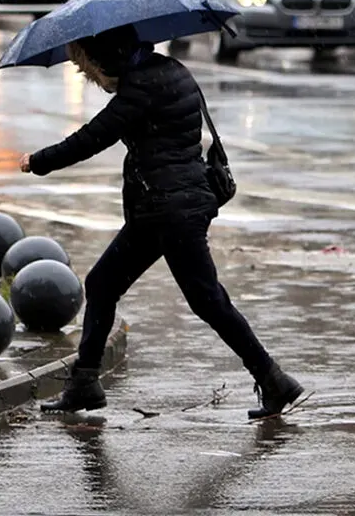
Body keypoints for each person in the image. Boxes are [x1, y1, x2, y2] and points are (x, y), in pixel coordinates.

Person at [19, 26, 304, 420]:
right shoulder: (168, 69)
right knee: (102, 284)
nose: (96, 77)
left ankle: (273, 379)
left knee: (208, 300)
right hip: (162, 208)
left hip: (172, 211)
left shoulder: (141, 87)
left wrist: (38, 161)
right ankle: (85, 382)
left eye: (94, 66)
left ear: (109, 54)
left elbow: (94, 137)